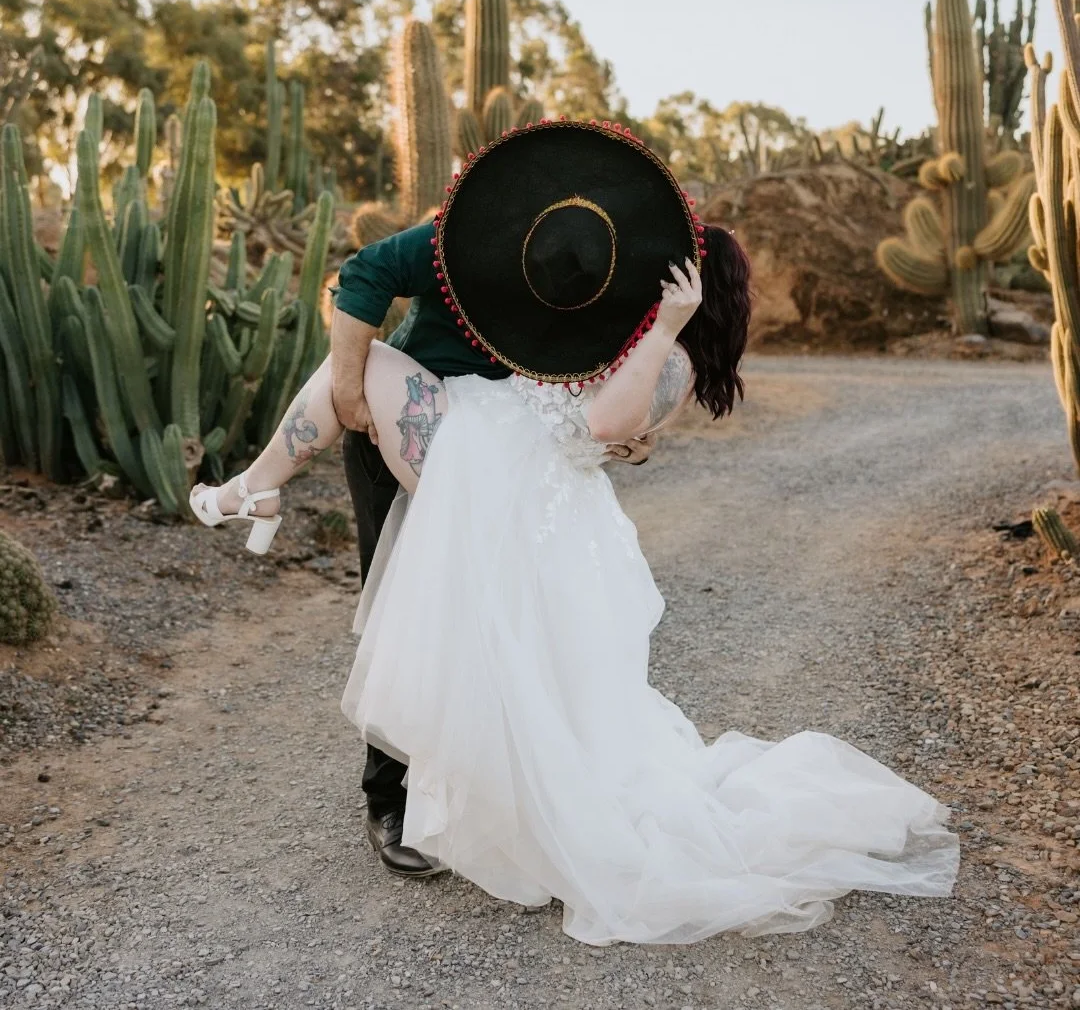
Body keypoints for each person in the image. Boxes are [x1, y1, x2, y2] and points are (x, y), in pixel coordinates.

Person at [194, 120, 959, 944]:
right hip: (472, 450)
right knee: (421, 612)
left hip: (496, 470)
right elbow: (386, 284)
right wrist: (350, 394)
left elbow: (603, 422)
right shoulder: (506, 243)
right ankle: (268, 514)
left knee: (470, 634)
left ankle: (255, 490)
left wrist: (660, 343)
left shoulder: (650, 335)